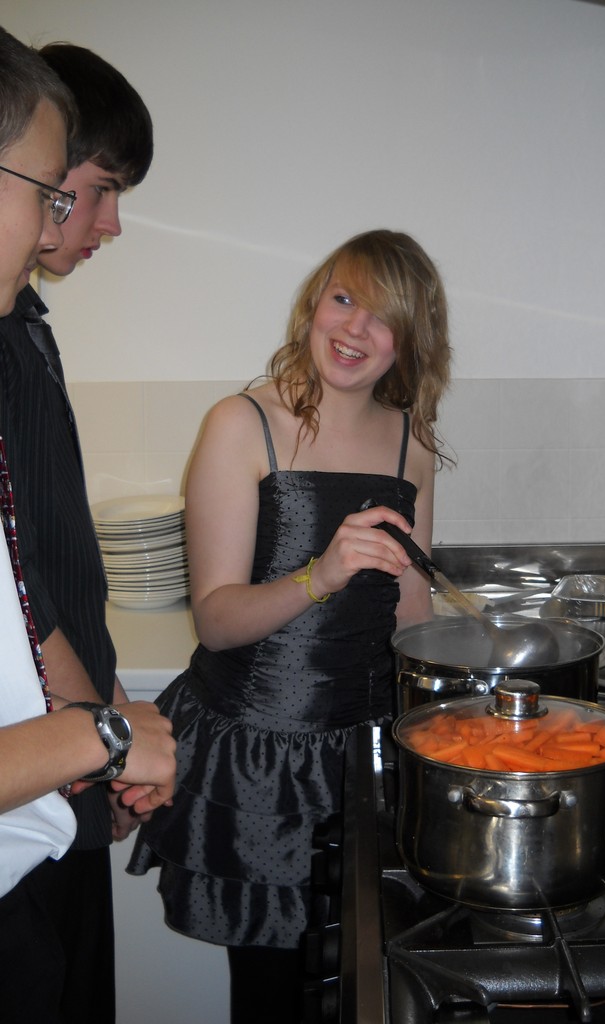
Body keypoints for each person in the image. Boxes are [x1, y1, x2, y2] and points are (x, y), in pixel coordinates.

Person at [129, 228, 452, 1022]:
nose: (355, 329)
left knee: (360, 985)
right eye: (344, 299)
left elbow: (413, 613)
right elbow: (216, 620)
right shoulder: (242, 423)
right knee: (271, 997)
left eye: (384, 317)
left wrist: (462, 701)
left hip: (371, 759)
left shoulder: (409, 442)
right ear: (313, 303)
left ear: (410, 341)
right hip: (259, 761)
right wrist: (321, 575)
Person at [0, 34, 159, 1024]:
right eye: (93, 191)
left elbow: (40, 574)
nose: (106, 222)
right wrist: (103, 737)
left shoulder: (26, 327)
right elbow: (31, 595)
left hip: (62, 747)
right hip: (38, 774)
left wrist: (110, 718)